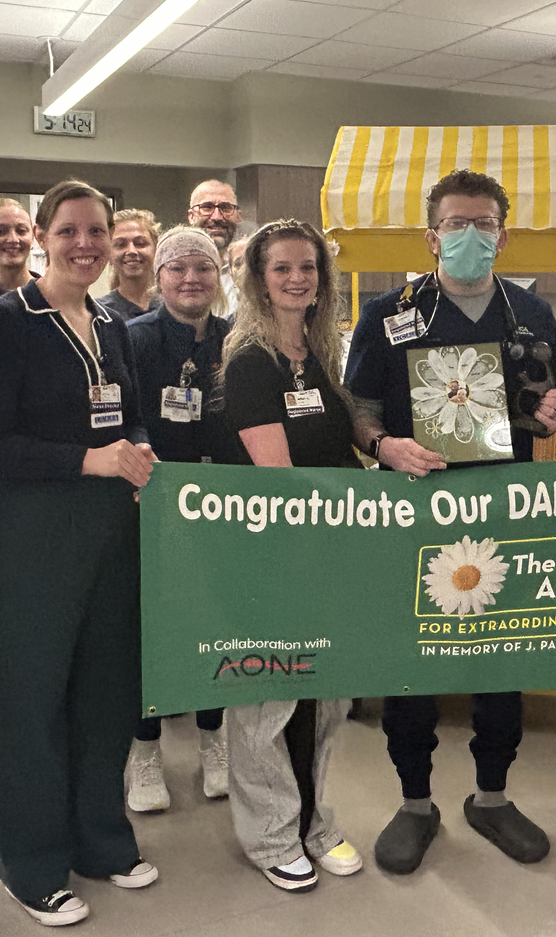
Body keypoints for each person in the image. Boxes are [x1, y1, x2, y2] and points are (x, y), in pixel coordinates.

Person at [343, 169, 556, 875]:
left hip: (503, 509)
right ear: (430, 235)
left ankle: (492, 796)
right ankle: (415, 803)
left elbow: (545, 398)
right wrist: (383, 444)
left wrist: (555, 411)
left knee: (500, 659)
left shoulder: (530, 312)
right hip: (418, 511)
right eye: (456, 224)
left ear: (502, 233)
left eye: (484, 224)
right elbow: (356, 406)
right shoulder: (391, 312)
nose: (470, 237)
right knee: (413, 661)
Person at [0, 180, 158, 926]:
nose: (85, 243)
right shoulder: (10, 321)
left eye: (96, 230)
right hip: (37, 530)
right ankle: (31, 865)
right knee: (33, 700)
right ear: (41, 235)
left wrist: (139, 454)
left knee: (105, 691)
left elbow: (130, 416)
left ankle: (101, 839)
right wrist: (89, 461)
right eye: (68, 229)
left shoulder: (112, 323)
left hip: (111, 531)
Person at [218, 219, 363, 894]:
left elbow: (345, 442)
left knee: (326, 696)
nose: (297, 279)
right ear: (257, 278)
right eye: (282, 269)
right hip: (277, 552)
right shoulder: (250, 362)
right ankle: (272, 834)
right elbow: (280, 478)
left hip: (332, 550)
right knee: (270, 698)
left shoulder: (322, 353)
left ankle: (314, 820)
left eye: (308, 268)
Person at [123, 226, 231, 812]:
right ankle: (144, 750)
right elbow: (123, 416)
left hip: (223, 507)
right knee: (152, 628)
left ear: (219, 277)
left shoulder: (237, 339)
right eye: (178, 268)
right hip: (154, 501)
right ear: (158, 277)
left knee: (212, 621)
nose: (192, 279)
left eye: (204, 268)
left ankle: (215, 737)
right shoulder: (133, 338)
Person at [186, 179, 241, 312]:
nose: (217, 217)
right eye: (207, 207)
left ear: (238, 217)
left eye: (226, 208)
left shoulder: (250, 272)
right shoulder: (174, 270)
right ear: (191, 217)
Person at [97, 208, 160, 322]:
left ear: (156, 249)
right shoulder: (100, 313)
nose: (131, 251)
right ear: (108, 254)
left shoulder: (174, 307)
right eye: (120, 244)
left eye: (140, 243)